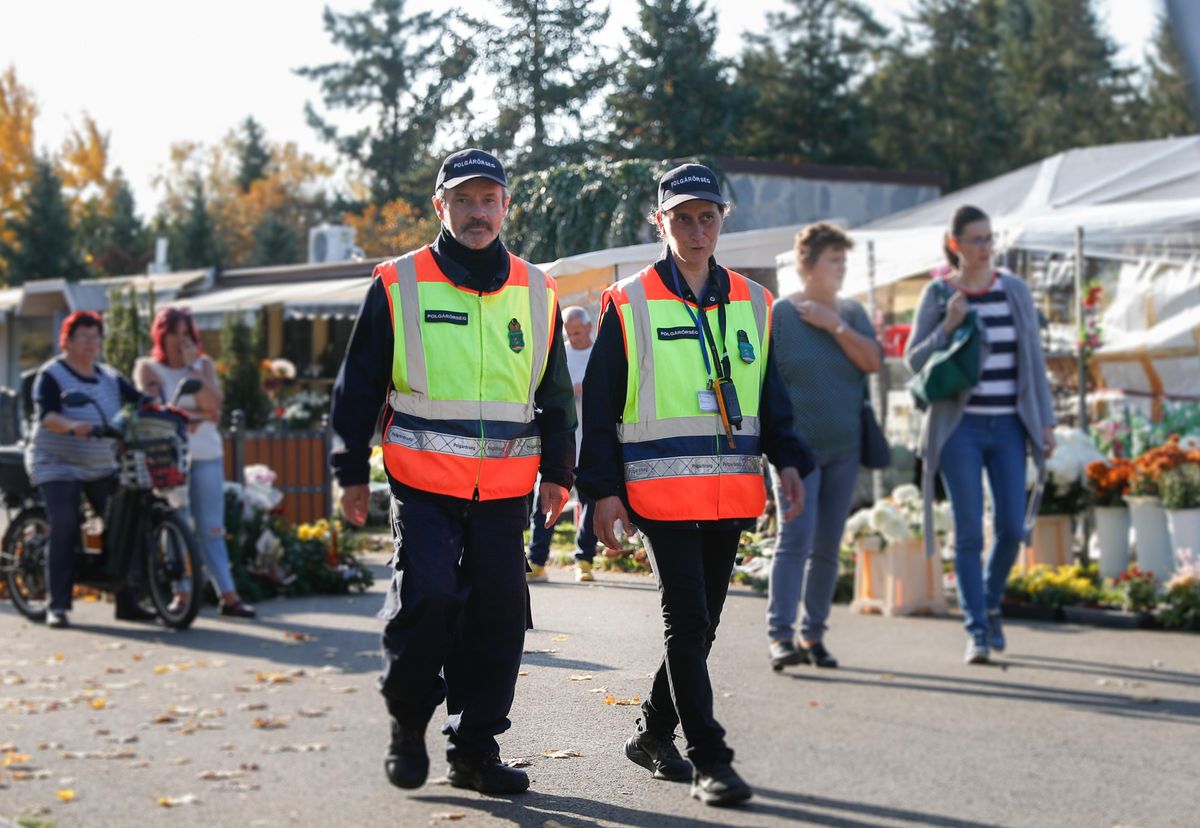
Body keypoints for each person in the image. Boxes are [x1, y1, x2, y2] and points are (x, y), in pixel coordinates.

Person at [331, 148, 576, 795]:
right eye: (463, 200)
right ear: (440, 207)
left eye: (488, 200)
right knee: (429, 600)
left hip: (504, 491)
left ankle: (474, 750)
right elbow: (358, 387)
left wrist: (559, 469)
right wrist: (349, 469)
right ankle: (409, 726)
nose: (477, 212)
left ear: (505, 207)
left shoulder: (537, 288)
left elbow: (555, 391)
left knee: (497, 618)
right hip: (423, 487)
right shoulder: (398, 283)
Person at [577, 163, 811, 807]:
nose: (697, 228)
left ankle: (653, 733)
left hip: (730, 490)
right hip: (659, 493)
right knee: (686, 621)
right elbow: (599, 408)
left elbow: (771, 395)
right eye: (682, 217)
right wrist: (600, 491)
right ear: (661, 223)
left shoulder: (756, 303)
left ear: (722, 220)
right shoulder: (629, 301)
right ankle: (711, 757)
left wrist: (788, 459)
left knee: (702, 626)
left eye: (707, 216)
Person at [905, 205, 1055, 664]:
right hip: (959, 430)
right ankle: (976, 630)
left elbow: (1033, 360)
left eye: (989, 239)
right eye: (976, 240)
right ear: (955, 245)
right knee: (969, 531)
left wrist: (1045, 421)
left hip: (1010, 425)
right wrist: (948, 325)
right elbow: (914, 360)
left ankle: (989, 603)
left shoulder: (1014, 290)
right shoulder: (937, 294)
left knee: (1013, 526)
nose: (985, 248)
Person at [766, 223, 882, 671]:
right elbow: (766, 385)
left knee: (828, 546)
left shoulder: (851, 312)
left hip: (846, 448)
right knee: (794, 539)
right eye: (833, 259)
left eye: (843, 260)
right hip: (797, 453)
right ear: (806, 264)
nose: (841, 267)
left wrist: (835, 326)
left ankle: (813, 635)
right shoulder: (780, 315)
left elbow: (873, 361)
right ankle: (780, 635)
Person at [25, 311, 156, 629]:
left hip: (100, 463)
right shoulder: (53, 374)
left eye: (95, 337)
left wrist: (166, 412)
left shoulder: (109, 377)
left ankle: (127, 601)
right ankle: (57, 604)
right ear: (67, 341)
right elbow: (47, 416)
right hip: (56, 462)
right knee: (67, 523)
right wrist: (72, 426)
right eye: (82, 337)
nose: (90, 343)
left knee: (125, 522)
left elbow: (140, 402)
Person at [134, 307, 256, 619]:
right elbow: (155, 410)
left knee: (211, 528)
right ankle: (181, 594)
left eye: (187, 334)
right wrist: (193, 416)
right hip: (168, 458)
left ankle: (228, 596)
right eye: (174, 333)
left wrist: (194, 371)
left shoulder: (202, 366)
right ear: (162, 335)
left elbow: (214, 408)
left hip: (206, 455)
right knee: (176, 526)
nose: (180, 340)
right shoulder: (148, 368)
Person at [526, 305, 600, 583]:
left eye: (578, 333)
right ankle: (537, 559)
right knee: (544, 502)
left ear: (590, 327)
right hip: (561, 445)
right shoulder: (561, 353)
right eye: (569, 333)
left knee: (591, 503)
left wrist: (585, 390)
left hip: (590, 445)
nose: (574, 338)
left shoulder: (599, 353)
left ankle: (585, 560)